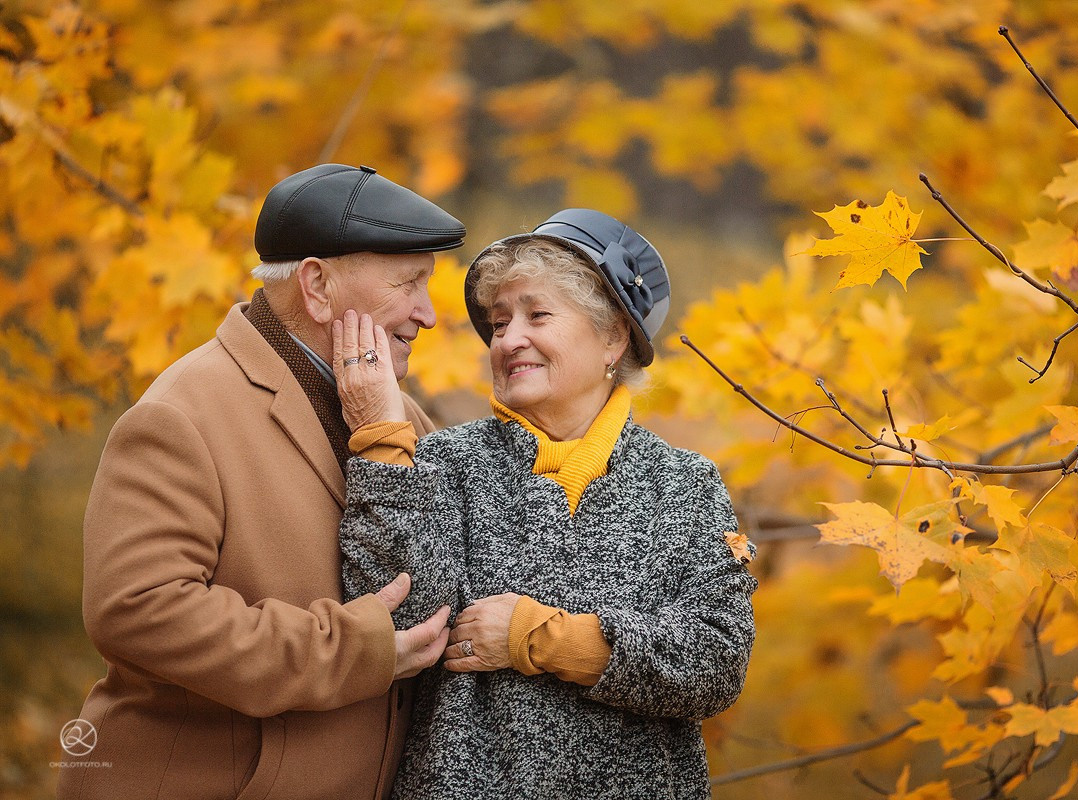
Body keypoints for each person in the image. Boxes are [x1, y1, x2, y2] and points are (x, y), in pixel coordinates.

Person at [59, 164, 463, 800]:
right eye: (409, 283)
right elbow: (137, 611)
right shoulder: (182, 414)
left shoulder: (397, 416)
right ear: (317, 285)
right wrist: (350, 651)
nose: (429, 314)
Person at [335, 209, 757, 799]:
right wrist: (381, 436)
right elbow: (397, 625)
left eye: (538, 315)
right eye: (500, 321)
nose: (509, 339)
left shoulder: (682, 483)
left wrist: (545, 638)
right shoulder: (442, 462)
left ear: (613, 336)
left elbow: (715, 665)